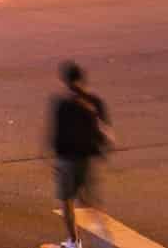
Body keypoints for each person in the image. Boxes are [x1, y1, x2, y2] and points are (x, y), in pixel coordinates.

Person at [49, 62, 111, 248]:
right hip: (87, 159)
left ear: (66, 81)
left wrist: (55, 160)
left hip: (67, 160)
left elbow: (57, 135)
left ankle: (74, 242)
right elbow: (105, 130)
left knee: (67, 202)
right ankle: (103, 239)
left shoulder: (63, 104)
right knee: (90, 202)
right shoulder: (95, 101)